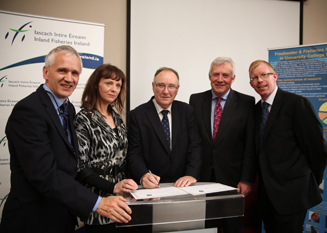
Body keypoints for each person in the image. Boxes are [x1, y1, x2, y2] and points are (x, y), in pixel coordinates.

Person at [0, 46, 132, 233]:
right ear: (46, 72)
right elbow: (45, 174)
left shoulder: (67, 109)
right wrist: (97, 202)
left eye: (75, 73)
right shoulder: (29, 110)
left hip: (62, 213)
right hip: (33, 218)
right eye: (62, 70)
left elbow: (69, 164)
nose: (69, 78)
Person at [248, 60, 327, 233]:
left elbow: (317, 149)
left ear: (275, 76)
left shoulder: (297, 104)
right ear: (251, 84)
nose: (260, 80)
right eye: (254, 78)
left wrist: (310, 180)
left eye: (264, 75)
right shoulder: (255, 111)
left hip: (293, 194)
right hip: (267, 196)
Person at [189, 57, 256, 233]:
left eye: (225, 75)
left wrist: (247, 179)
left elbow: (250, 145)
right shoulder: (196, 100)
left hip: (233, 179)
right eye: (216, 74)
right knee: (204, 227)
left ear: (233, 78)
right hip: (201, 177)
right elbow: (192, 141)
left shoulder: (247, 103)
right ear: (209, 76)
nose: (220, 79)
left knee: (232, 226)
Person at [74, 64, 138, 232]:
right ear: (96, 84)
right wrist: (112, 187)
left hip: (122, 198)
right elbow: (81, 168)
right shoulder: (84, 118)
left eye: (118, 85)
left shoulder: (116, 116)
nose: (114, 89)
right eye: (109, 83)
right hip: (98, 198)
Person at [127, 67, 202, 189]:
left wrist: (191, 174)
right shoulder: (137, 115)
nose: (166, 91)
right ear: (153, 86)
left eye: (171, 86)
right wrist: (143, 175)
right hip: (152, 188)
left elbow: (195, 146)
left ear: (177, 89)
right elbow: (134, 153)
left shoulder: (187, 111)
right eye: (161, 85)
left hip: (184, 187)